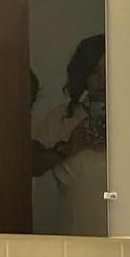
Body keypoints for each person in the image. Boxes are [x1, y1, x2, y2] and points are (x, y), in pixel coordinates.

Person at [30, 33, 107, 234]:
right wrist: (68, 147)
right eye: (93, 72)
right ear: (83, 74)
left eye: (107, 69)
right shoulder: (63, 117)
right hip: (76, 234)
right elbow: (30, 165)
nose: (102, 80)